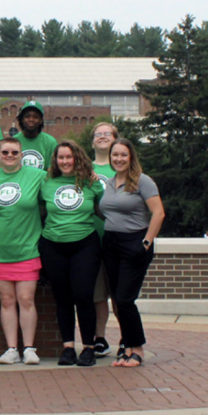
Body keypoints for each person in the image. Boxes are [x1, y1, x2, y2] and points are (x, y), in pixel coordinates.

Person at [100, 138, 165, 368]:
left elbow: (158, 213)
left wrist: (145, 243)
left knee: (126, 299)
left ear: (131, 157)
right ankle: (126, 349)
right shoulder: (108, 183)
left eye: (123, 155)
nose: (119, 159)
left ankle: (137, 349)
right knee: (118, 299)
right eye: (115, 155)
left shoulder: (142, 181)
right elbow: (105, 212)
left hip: (134, 243)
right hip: (111, 244)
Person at [39, 141, 105, 367]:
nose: (65, 162)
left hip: (85, 244)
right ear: (55, 160)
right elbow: (31, 209)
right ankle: (68, 348)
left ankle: (88, 348)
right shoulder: (46, 182)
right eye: (61, 158)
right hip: (53, 245)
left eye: (69, 157)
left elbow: (106, 211)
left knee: (84, 295)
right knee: (62, 298)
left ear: (77, 158)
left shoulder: (92, 184)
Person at [0, 137, 47, 365]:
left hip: (27, 249)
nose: (9, 156)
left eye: (14, 152)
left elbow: (62, 182)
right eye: (5, 153)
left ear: (22, 155)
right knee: (7, 300)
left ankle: (29, 348)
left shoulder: (37, 176)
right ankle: (12, 349)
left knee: (26, 299)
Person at [90, 121, 119, 358]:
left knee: (121, 295)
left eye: (107, 133)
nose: (102, 136)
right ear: (92, 141)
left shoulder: (123, 167)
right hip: (92, 240)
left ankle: (127, 338)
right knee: (98, 295)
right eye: (97, 134)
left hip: (119, 241)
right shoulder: (84, 169)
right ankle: (100, 338)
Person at [16, 100, 57, 171]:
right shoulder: (14, 141)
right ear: (22, 119)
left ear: (41, 120)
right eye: (27, 116)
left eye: (35, 117)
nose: (31, 119)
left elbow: (53, 171)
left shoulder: (50, 142)